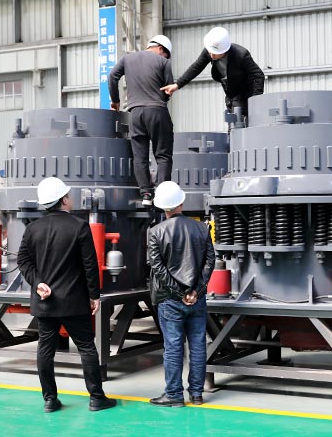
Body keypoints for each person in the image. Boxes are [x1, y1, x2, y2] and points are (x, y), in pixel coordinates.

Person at [17, 177, 117, 413]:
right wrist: (94, 295)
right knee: (86, 347)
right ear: (63, 200)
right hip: (74, 301)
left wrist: (38, 283)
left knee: (45, 349)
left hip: (45, 302)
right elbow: (90, 265)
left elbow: (23, 261)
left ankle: (50, 400)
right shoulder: (79, 226)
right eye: (69, 195)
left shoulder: (32, 229)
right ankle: (96, 398)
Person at [147, 181, 215, 407]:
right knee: (198, 345)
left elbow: (158, 268)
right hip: (197, 299)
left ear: (161, 207)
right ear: (181, 202)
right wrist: (196, 290)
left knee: (173, 347)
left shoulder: (155, 232)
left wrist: (178, 293)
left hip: (170, 300)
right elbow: (210, 261)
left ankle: (174, 395)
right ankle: (196, 394)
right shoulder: (202, 228)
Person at [109, 35, 175, 206]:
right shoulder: (164, 62)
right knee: (163, 155)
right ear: (160, 48)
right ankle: (161, 194)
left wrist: (115, 101)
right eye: (166, 53)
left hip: (135, 113)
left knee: (140, 156)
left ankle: (146, 194)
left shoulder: (127, 59)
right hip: (157, 111)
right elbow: (168, 91)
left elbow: (112, 76)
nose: (165, 57)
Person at [161, 27, 264, 120]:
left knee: (238, 121)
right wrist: (177, 85)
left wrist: (255, 101)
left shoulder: (241, 55)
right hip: (230, 93)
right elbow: (196, 67)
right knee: (233, 122)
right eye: (209, 51)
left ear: (224, 50)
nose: (211, 55)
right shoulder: (209, 50)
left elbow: (258, 75)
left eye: (214, 53)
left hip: (244, 91)